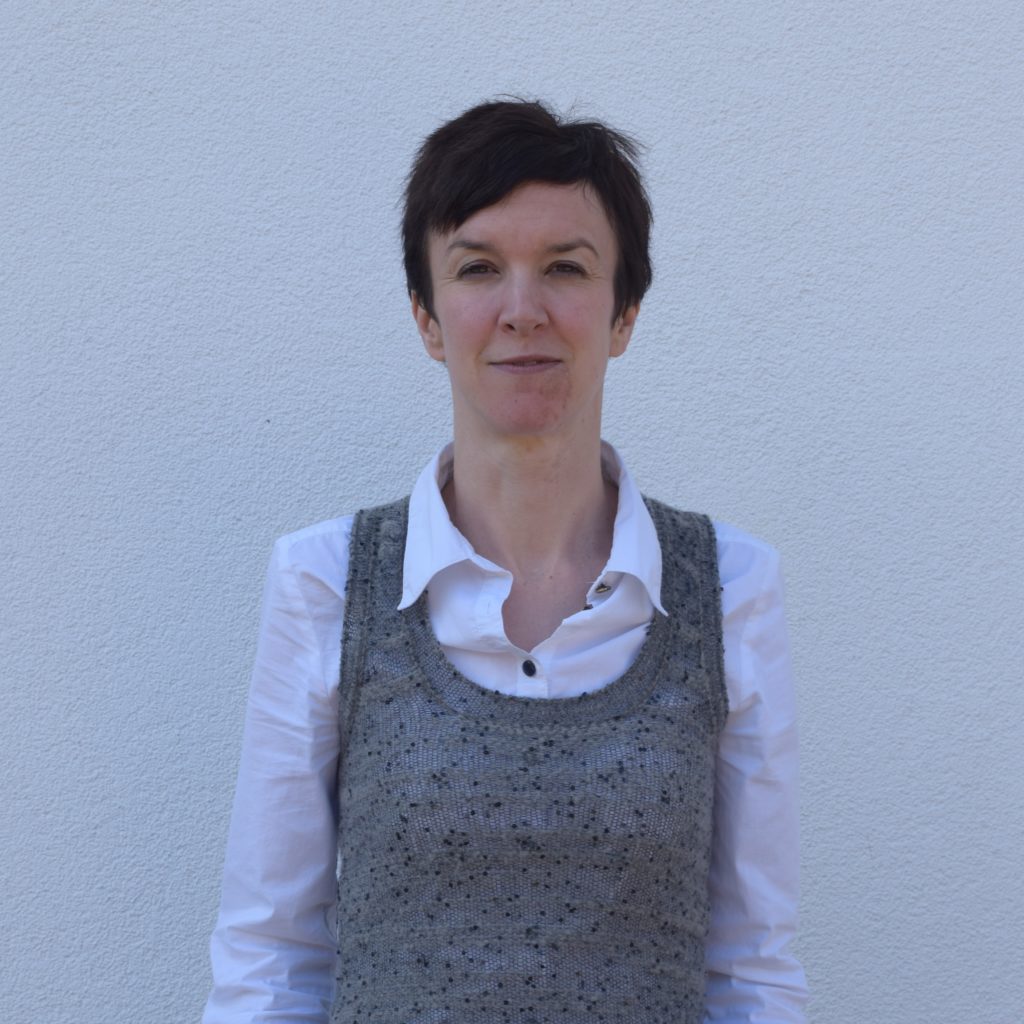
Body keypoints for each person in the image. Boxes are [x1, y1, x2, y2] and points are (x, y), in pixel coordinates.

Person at [203, 99, 808, 1023]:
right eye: (479, 269)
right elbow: (271, 957)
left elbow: (751, 969)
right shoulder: (324, 583)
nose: (522, 310)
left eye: (565, 268)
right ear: (428, 318)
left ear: (624, 313)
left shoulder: (730, 588)